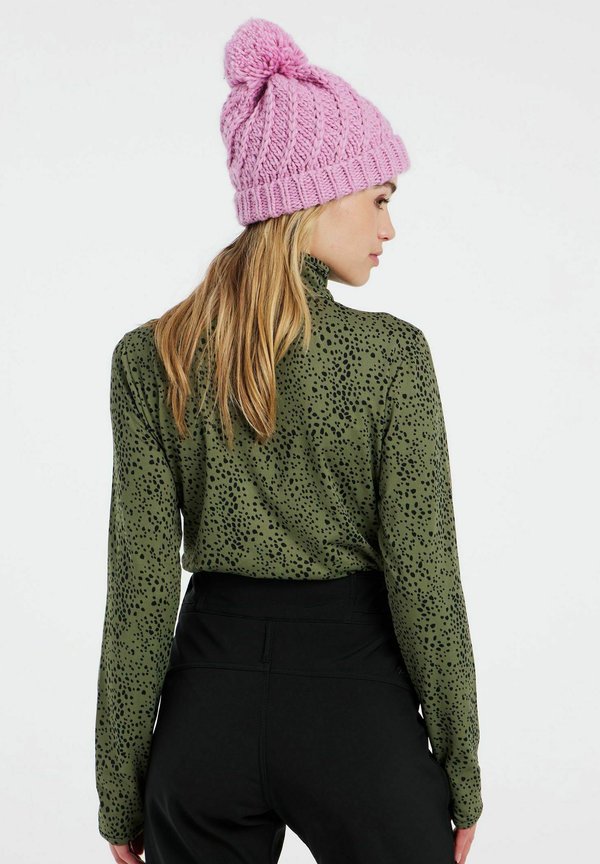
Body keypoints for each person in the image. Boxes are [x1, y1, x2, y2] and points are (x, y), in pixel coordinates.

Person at [95, 17, 483, 864]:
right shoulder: (391, 356)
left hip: (205, 711)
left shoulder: (151, 357)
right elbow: (425, 579)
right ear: (315, 197)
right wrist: (462, 769)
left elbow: (139, 595)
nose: (388, 229)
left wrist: (120, 790)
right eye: (380, 199)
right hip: (356, 707)